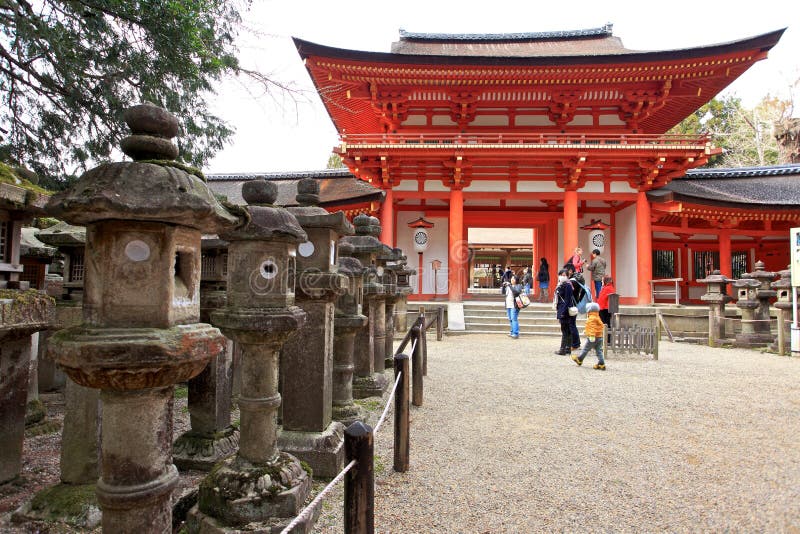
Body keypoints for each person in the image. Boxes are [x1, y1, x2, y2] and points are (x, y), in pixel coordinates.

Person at [571, 302, 606, 370]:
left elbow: (592, 327)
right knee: (599, 351)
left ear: (589, 310)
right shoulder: (597, 317)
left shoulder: (591, 318)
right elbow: (601, 326)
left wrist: (592, 335)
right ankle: (601, 363)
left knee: (585, 349)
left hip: (592, 337)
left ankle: (579, 359)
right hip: (599, 337)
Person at [554, 269, 580, 354]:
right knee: (567, 330)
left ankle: (563, 349)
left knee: (565, 330)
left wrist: (563, 312)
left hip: (564, 310)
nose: (563, 276)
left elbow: (567, 300)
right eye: (562, 274)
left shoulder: (568, 285)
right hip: (561, 309)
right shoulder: (560, 285)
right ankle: (568, 348)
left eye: (565, 275)